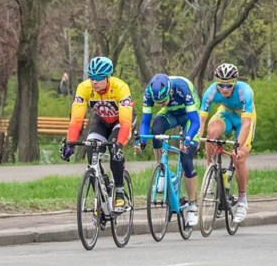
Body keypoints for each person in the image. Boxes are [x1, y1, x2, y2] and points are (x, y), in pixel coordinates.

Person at [59, 56, 135, 212]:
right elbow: (76, 120)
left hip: (120, 121)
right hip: (101, 120)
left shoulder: (121, 87)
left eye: (99, 78)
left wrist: (119, 145)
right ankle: (101, 195)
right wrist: (70, 143)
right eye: (91, 77)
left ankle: (119, 193)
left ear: (107, 77)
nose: (94, 82)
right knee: (91, 151)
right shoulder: (84, 88)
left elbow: (126, 122)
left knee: (115, 152)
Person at [135, 73, 201, 226]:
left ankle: (192, 206)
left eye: (163, 100)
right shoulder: (149, 92)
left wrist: (188, 139)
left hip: (189, 116)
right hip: (170, 114)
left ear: (171, 92)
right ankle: (162, 171)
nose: (161, 104)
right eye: (157, 102)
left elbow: (195, 121)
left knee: (186, 159)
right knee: (156, 128)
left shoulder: (182, 89)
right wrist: (142, 140)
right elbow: (145, 121)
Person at [198, 63, 256, 223]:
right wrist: (196, 137)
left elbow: (245, 124)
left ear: (235, 83)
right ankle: (211, 169)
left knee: (239, 157)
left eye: (228, 85)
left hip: (244, 120)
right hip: (226, 114)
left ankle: (243, 200)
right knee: (211, 132)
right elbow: (202, 119)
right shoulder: (210, 92)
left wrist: (237, 145)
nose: (224, 89)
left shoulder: (244, 92)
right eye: (221, 85)